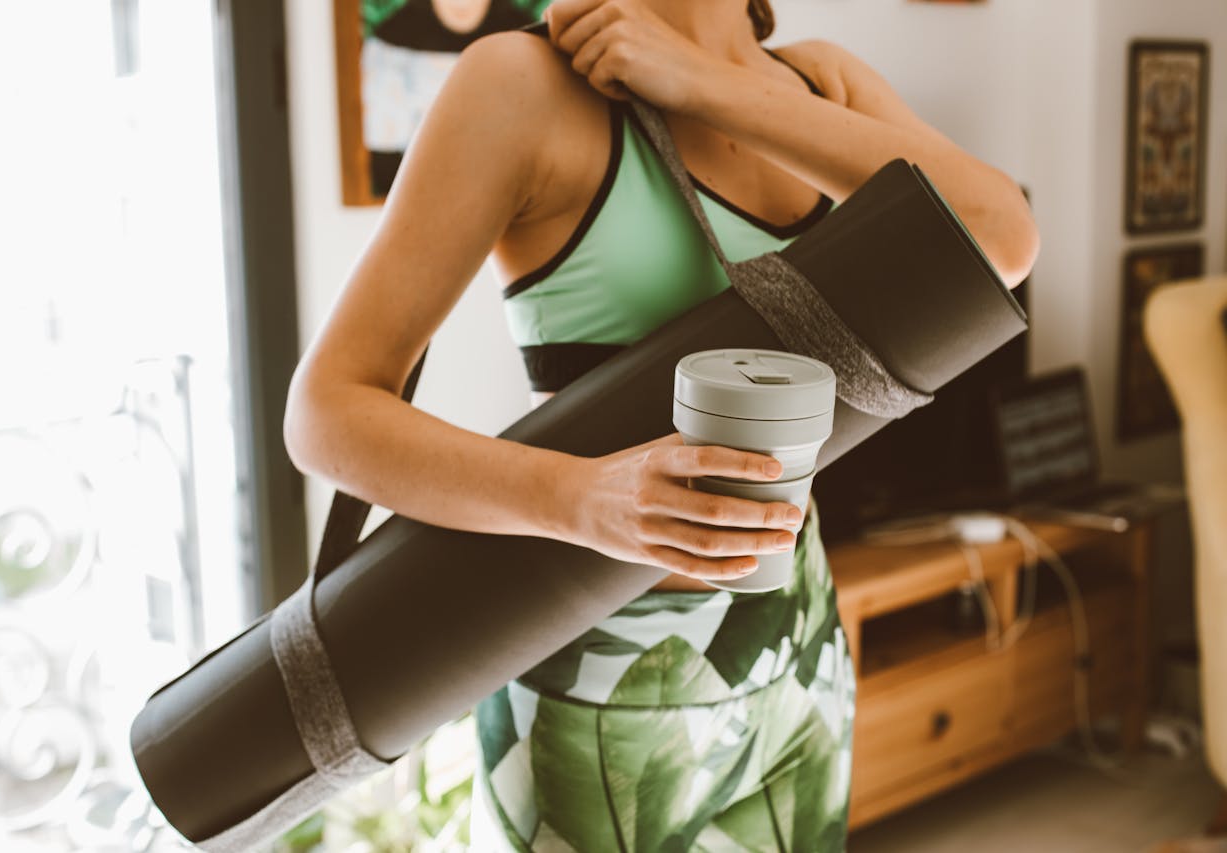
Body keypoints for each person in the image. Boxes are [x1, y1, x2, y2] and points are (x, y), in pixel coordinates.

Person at [283, 0, 1040, 849]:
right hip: (593, 664)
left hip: (797, 638)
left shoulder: (821, 80)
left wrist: (702, 84)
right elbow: (325, 412)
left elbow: (999, 233)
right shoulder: (519, 84)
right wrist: (580, 497)